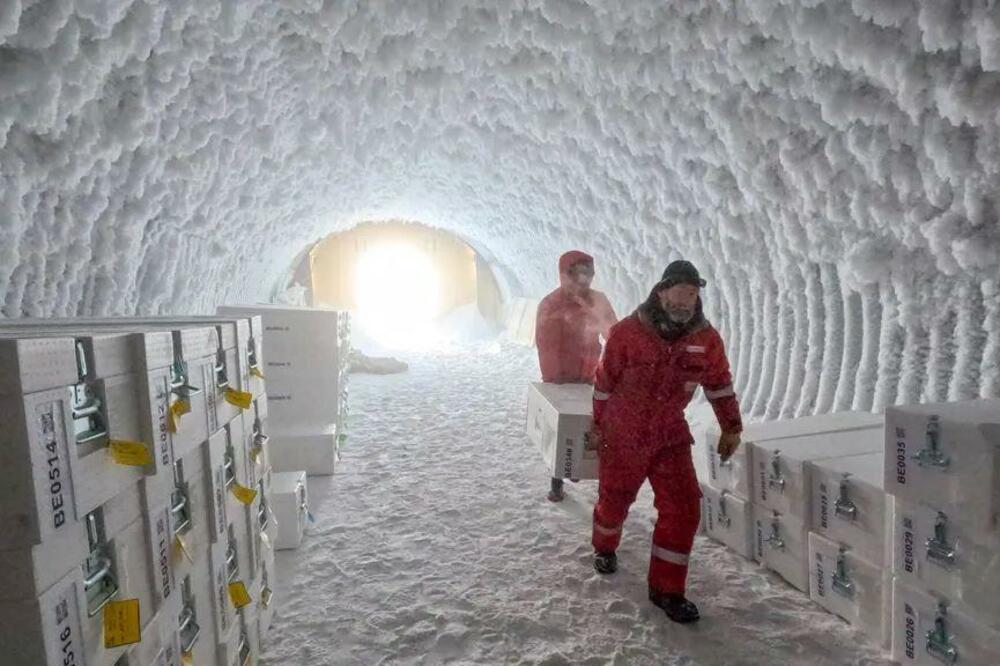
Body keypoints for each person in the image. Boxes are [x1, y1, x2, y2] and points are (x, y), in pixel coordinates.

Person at [588, 260, 742, 623]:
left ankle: (667, 590)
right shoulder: (627, 332)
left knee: (684, 507)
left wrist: (731, 426)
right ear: (661, 292)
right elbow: (604, 381)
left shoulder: (706, 340)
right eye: (679, 292)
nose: (685, 301)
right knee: (615, 500)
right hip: (623, 432)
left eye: (692, 294)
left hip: (669, 434)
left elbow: (719, 384)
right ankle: (604, 545)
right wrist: (598, 425)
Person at [535, 250, 617, 502]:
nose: (584, 280)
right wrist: (554, 380)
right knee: (562, 429)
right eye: (577, 274)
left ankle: (584, 471)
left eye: (588, 273)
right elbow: (546, 344)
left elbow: (614, 334)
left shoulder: (597, 301)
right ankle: (557, 480)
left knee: (593, 425)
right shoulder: (550, 304)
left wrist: (612, 367)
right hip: (560, 379)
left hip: (590, 376)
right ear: (565, 275)